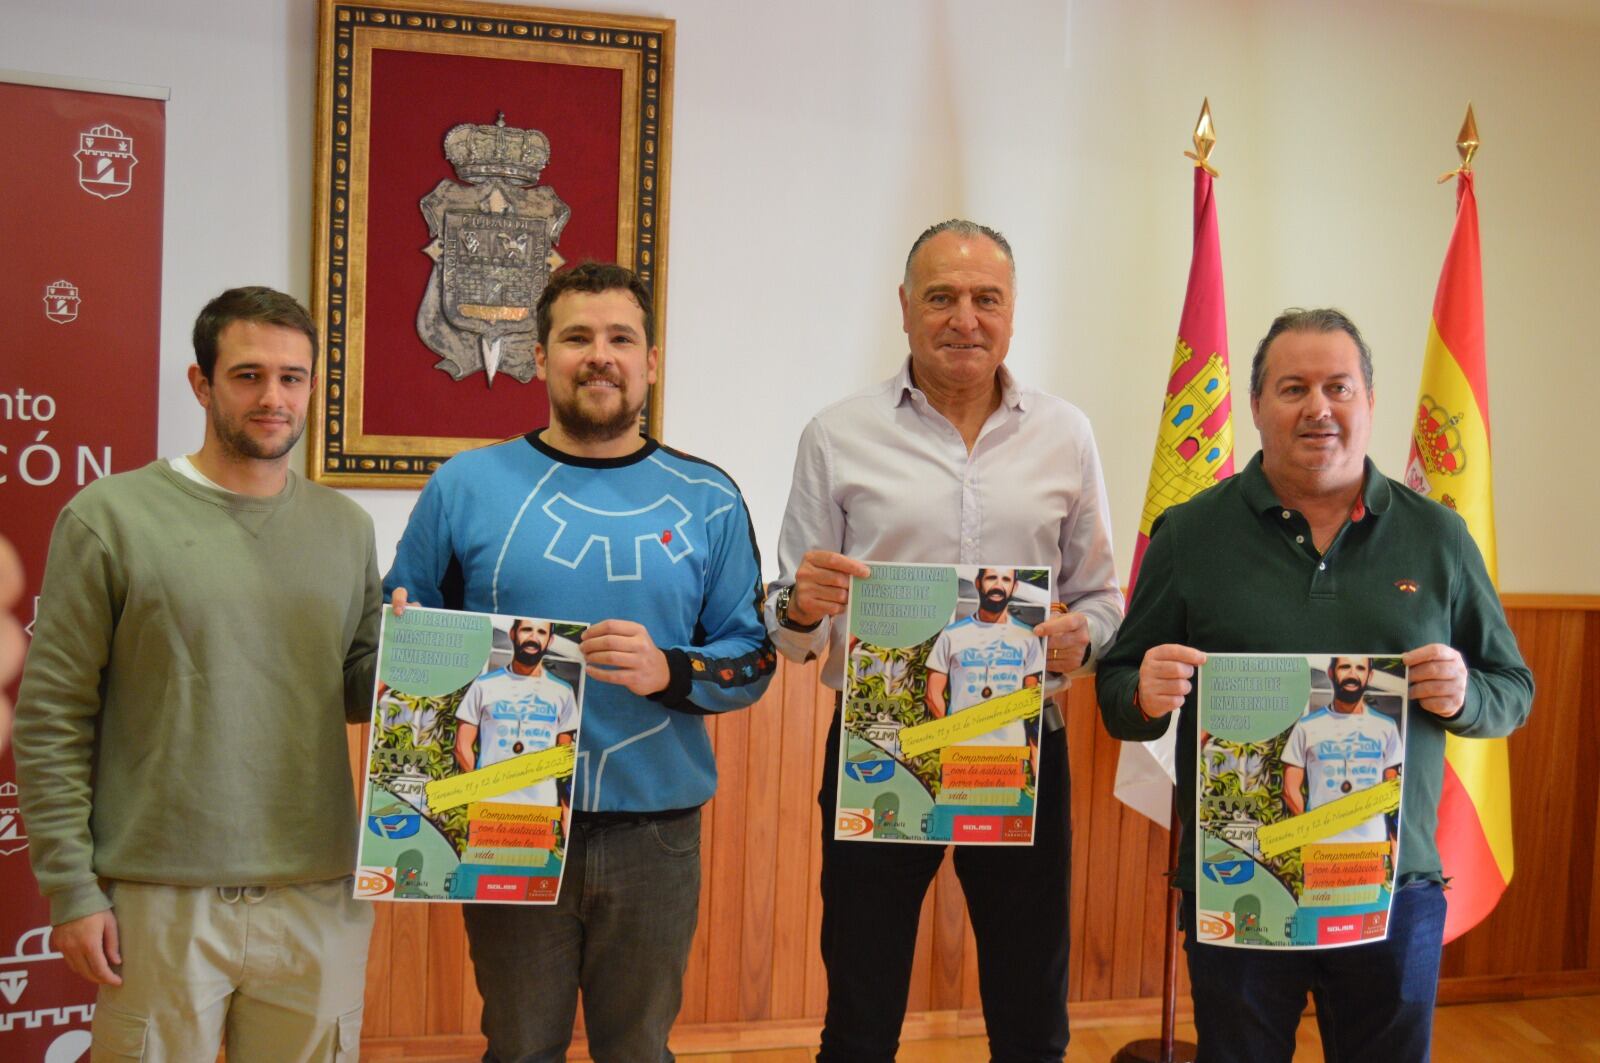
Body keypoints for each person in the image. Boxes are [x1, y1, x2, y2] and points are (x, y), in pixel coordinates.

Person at [1096, 307, 1534, 1063]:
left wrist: (1464, 693)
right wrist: (1145, 691)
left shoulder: (1439, 537)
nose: (1318, 407)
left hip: (1394, 888)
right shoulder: (1190, 533)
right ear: (1259, 406)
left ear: (1369, 402)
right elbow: (1115, 691)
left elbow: (1513, 689)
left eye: (1339, 386)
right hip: (1238, 876)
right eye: (1293, 387)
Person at [385, 261, 774, 1062]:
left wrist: (672, 669)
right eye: (576, 338)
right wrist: (409, 640)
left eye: (621, 338)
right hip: (507, 818)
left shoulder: (709, 496)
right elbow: (401, 625)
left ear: (651, 361)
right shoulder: (466, 485)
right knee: (521, 1045)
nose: (600, 355)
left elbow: (755, 657)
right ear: (539, 356)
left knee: (638, 1049)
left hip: (656, 832)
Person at [768, 219, 1123, 1062]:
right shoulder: (836, 433)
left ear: (1011, 312)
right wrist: (803, 605)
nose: (964, 317)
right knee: (861, 1000)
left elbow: (1103, 598)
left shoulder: (1066, 434)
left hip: (1024, 747)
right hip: (880, 748)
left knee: (1030, 1006)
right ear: (903, 308)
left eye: (985, 298)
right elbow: (787, 625)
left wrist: (1084, 636)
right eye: (942, 297)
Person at [12, 287, 381, 1060]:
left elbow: (354, 689)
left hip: (318, 893)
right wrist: (73, 891)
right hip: (160, 900)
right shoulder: (110, 516)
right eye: (248, 375)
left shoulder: (346, 527)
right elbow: (52, 716)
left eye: (292, 377)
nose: (273, 397)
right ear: (201, 383)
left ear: (314, 385)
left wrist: (422, 658)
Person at [453, 618, 578, 807]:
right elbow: (462, 747)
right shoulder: (484, 685)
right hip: (489, 807)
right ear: (513, 634)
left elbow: (563, 758)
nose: (533, 637)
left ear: (550, 641)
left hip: (542, 808)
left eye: (541, 633)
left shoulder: (563, 691)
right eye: (527, 630)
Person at [1281, 655, 1401, 844]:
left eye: (1360, 669)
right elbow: (1290, 789)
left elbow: (1391, 791)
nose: (1352, 674)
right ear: (1331, 673)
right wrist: (1310, 832)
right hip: (1321, 850)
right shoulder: (1306, 727)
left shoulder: (1386, 727)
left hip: (1371, 848)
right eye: (1345, 667)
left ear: (1370, 676)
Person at [924, 567, 1044, 752]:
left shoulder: (1028, 636)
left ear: (1015, 586)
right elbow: (933, 694)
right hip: (961, 752)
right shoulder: (951, 635)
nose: (998, 585)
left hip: (1010, 751)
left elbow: (1031, 701)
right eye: (991, 578)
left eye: (1006, 579)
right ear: (978, 583)